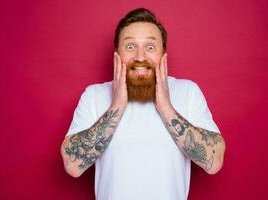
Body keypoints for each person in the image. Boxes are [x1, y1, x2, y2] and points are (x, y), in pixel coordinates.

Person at [61, 8, 226, 200]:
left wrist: (165, 107)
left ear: (163, 54)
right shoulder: (94, 95)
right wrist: (117, 106)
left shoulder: (188, 92)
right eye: (130, 46)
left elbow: (214, 162)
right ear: (117, 54)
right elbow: (72, 166)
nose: (140, 56)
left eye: (150, 47)